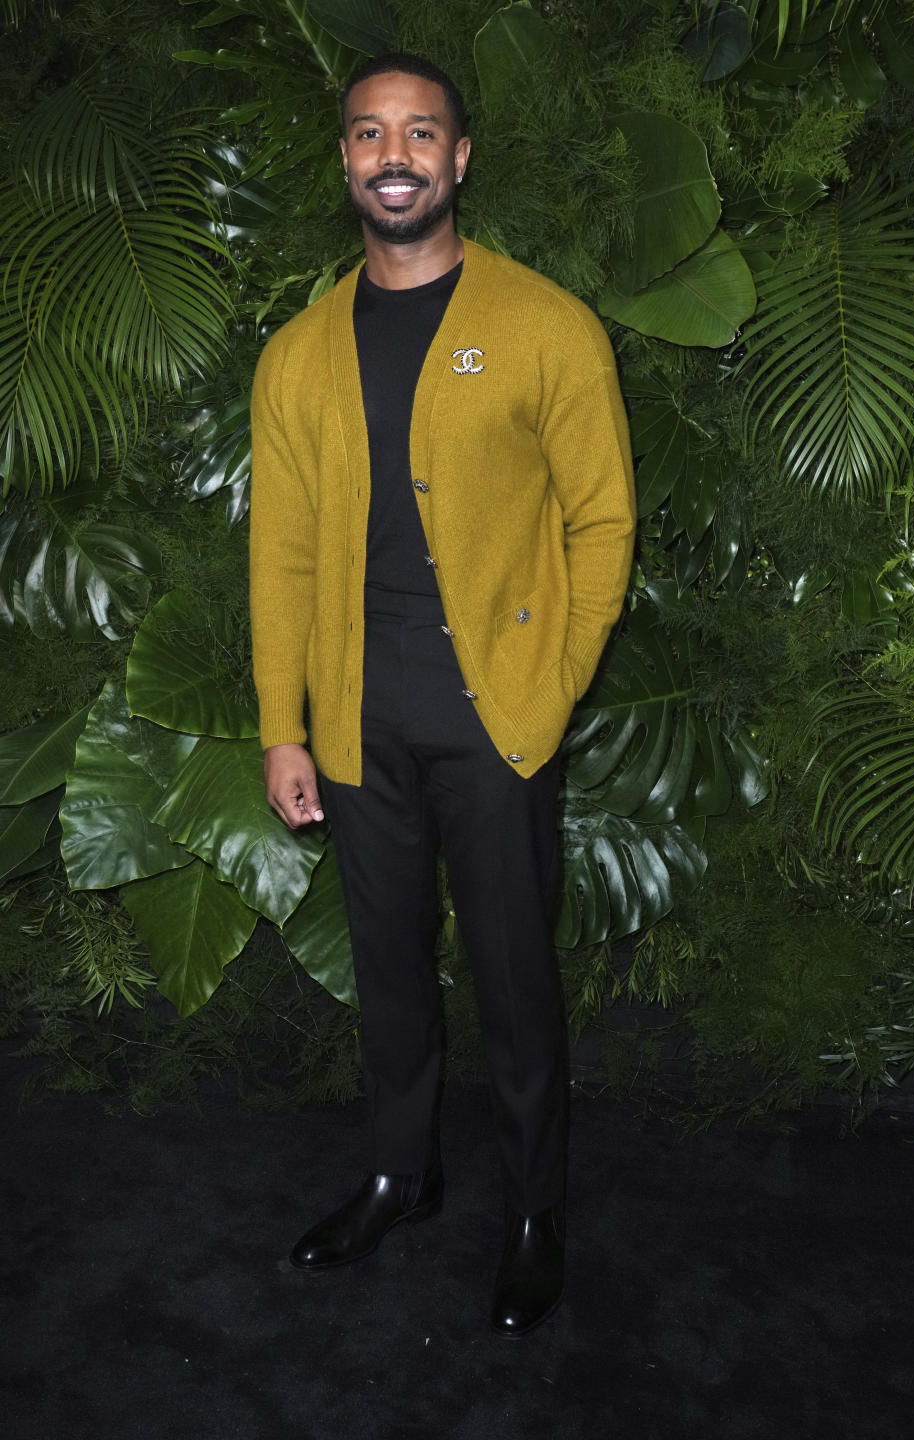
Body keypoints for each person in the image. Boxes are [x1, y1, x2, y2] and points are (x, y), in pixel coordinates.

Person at [249, 51, 635, 1336]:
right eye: (369, 134)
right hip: (361, 726)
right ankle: (395, 1177)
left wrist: (552, 681)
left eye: (421, 133)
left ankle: (535, 1214)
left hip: (497, 720)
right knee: (391, 972)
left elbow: (604, 521)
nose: (394, 154)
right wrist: (283, 726)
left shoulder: (546, 325)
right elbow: (283, 554)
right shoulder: (298, 356)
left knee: (518, 983)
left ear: (460, 159)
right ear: (345, 161)